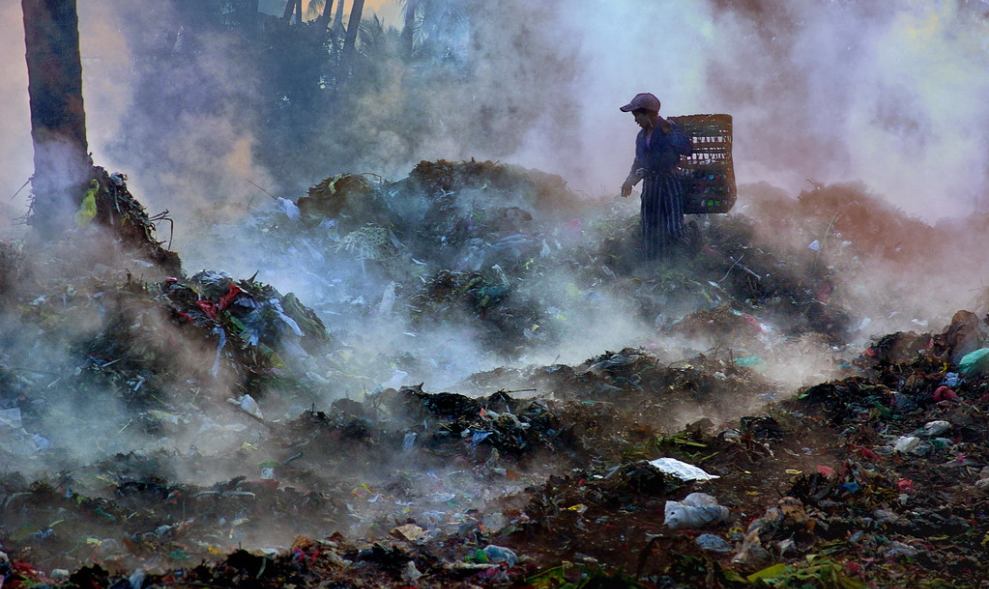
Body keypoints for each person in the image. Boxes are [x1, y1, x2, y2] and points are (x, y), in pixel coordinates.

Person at [619, 92, 693, 261]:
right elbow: (639, 161)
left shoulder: (669, 128)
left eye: (638, 115)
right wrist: (629, 181)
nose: (636, 120)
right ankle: (652, 267)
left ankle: (685, 262)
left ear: (648, 113)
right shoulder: (641, 136)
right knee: (649, 227)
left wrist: (671, 135)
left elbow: (688, 149)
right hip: (650, 183)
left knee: (674, 228)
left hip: (669, 181)